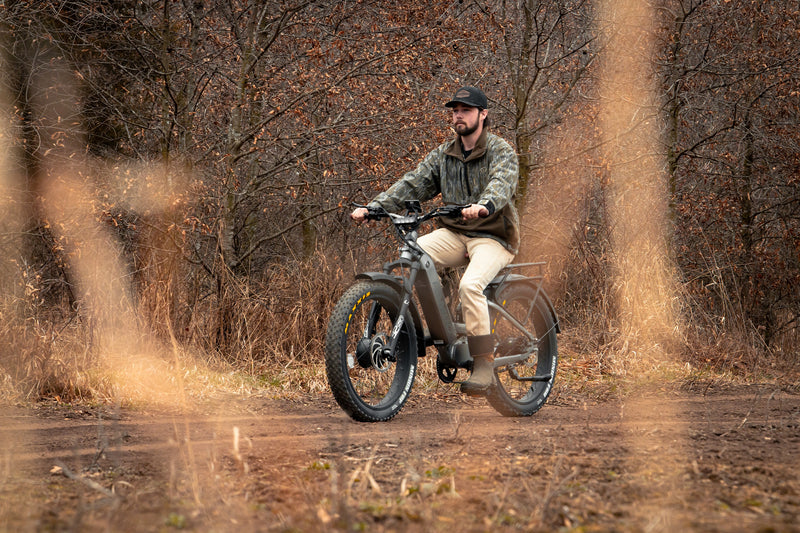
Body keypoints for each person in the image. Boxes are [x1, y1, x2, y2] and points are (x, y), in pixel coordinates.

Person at [351, 86, 520, 396]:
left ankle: (483, 362)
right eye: (454, 110)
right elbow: (413, 183)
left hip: (492, 235)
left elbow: (502, 182)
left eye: (466, 110)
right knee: (415, 253)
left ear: (483, 114)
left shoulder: (500, 150)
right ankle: (444, 327)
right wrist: (375, 207)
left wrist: (485, 204)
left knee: (471, 285)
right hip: (455, 233)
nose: (458, 115)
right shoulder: (444, 154)